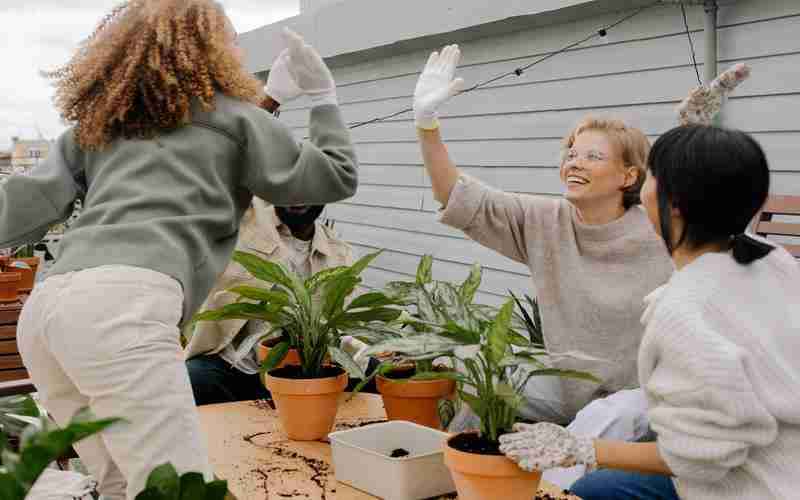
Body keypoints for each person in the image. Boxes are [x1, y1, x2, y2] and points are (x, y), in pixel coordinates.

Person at [6, 1, 357, 497]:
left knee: (118, 483)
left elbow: (19, 208)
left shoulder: (103, 125)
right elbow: (333, 176)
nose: (237, 48)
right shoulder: (234, 119)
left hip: (44, 314)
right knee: (180, 490)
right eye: (230, 38)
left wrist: (272, 98)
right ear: (208, 49)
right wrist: (324, 97)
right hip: (121, 312)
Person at [412, 44, 674, 486]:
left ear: (629, 177)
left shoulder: (661, 229)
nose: (574, 162)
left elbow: (722, 239)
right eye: (572, 152)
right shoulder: (544, 220)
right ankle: (451, 483)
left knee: (576, 452)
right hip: (565, 385)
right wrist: (426, 124)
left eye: (593, 156)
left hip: (636, 398)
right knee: (490, 384)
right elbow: (454, 196)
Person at [499, 124, 800, 500]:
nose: (642, 185)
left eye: (651, 175)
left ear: (673, 203)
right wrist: (696, 135)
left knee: (590, 491)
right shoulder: (774, 262)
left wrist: (583, 448)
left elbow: (701, 458)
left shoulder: (681, 311)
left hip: (755, 486)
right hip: (786, 456)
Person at [185, 199, 373, 404]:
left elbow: (345, 326)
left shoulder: (338, 254)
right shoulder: (244, 227)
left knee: (373, 371)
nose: (298, 194)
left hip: (305, 374)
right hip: (238, 368)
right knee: (194, 378)